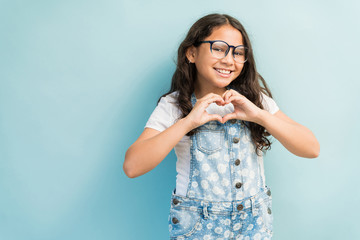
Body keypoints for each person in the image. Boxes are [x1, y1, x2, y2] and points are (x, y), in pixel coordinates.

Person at [123, 13, 320, 240]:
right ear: (192, 53)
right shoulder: (175, 106)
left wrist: (260, 116)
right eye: (218, 48)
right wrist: (188, 121)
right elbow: (132, 166)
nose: (229, 60)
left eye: (238, 52)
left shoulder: (257, 101)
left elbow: (311, 148)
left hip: (253, 227)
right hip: (198, 229)